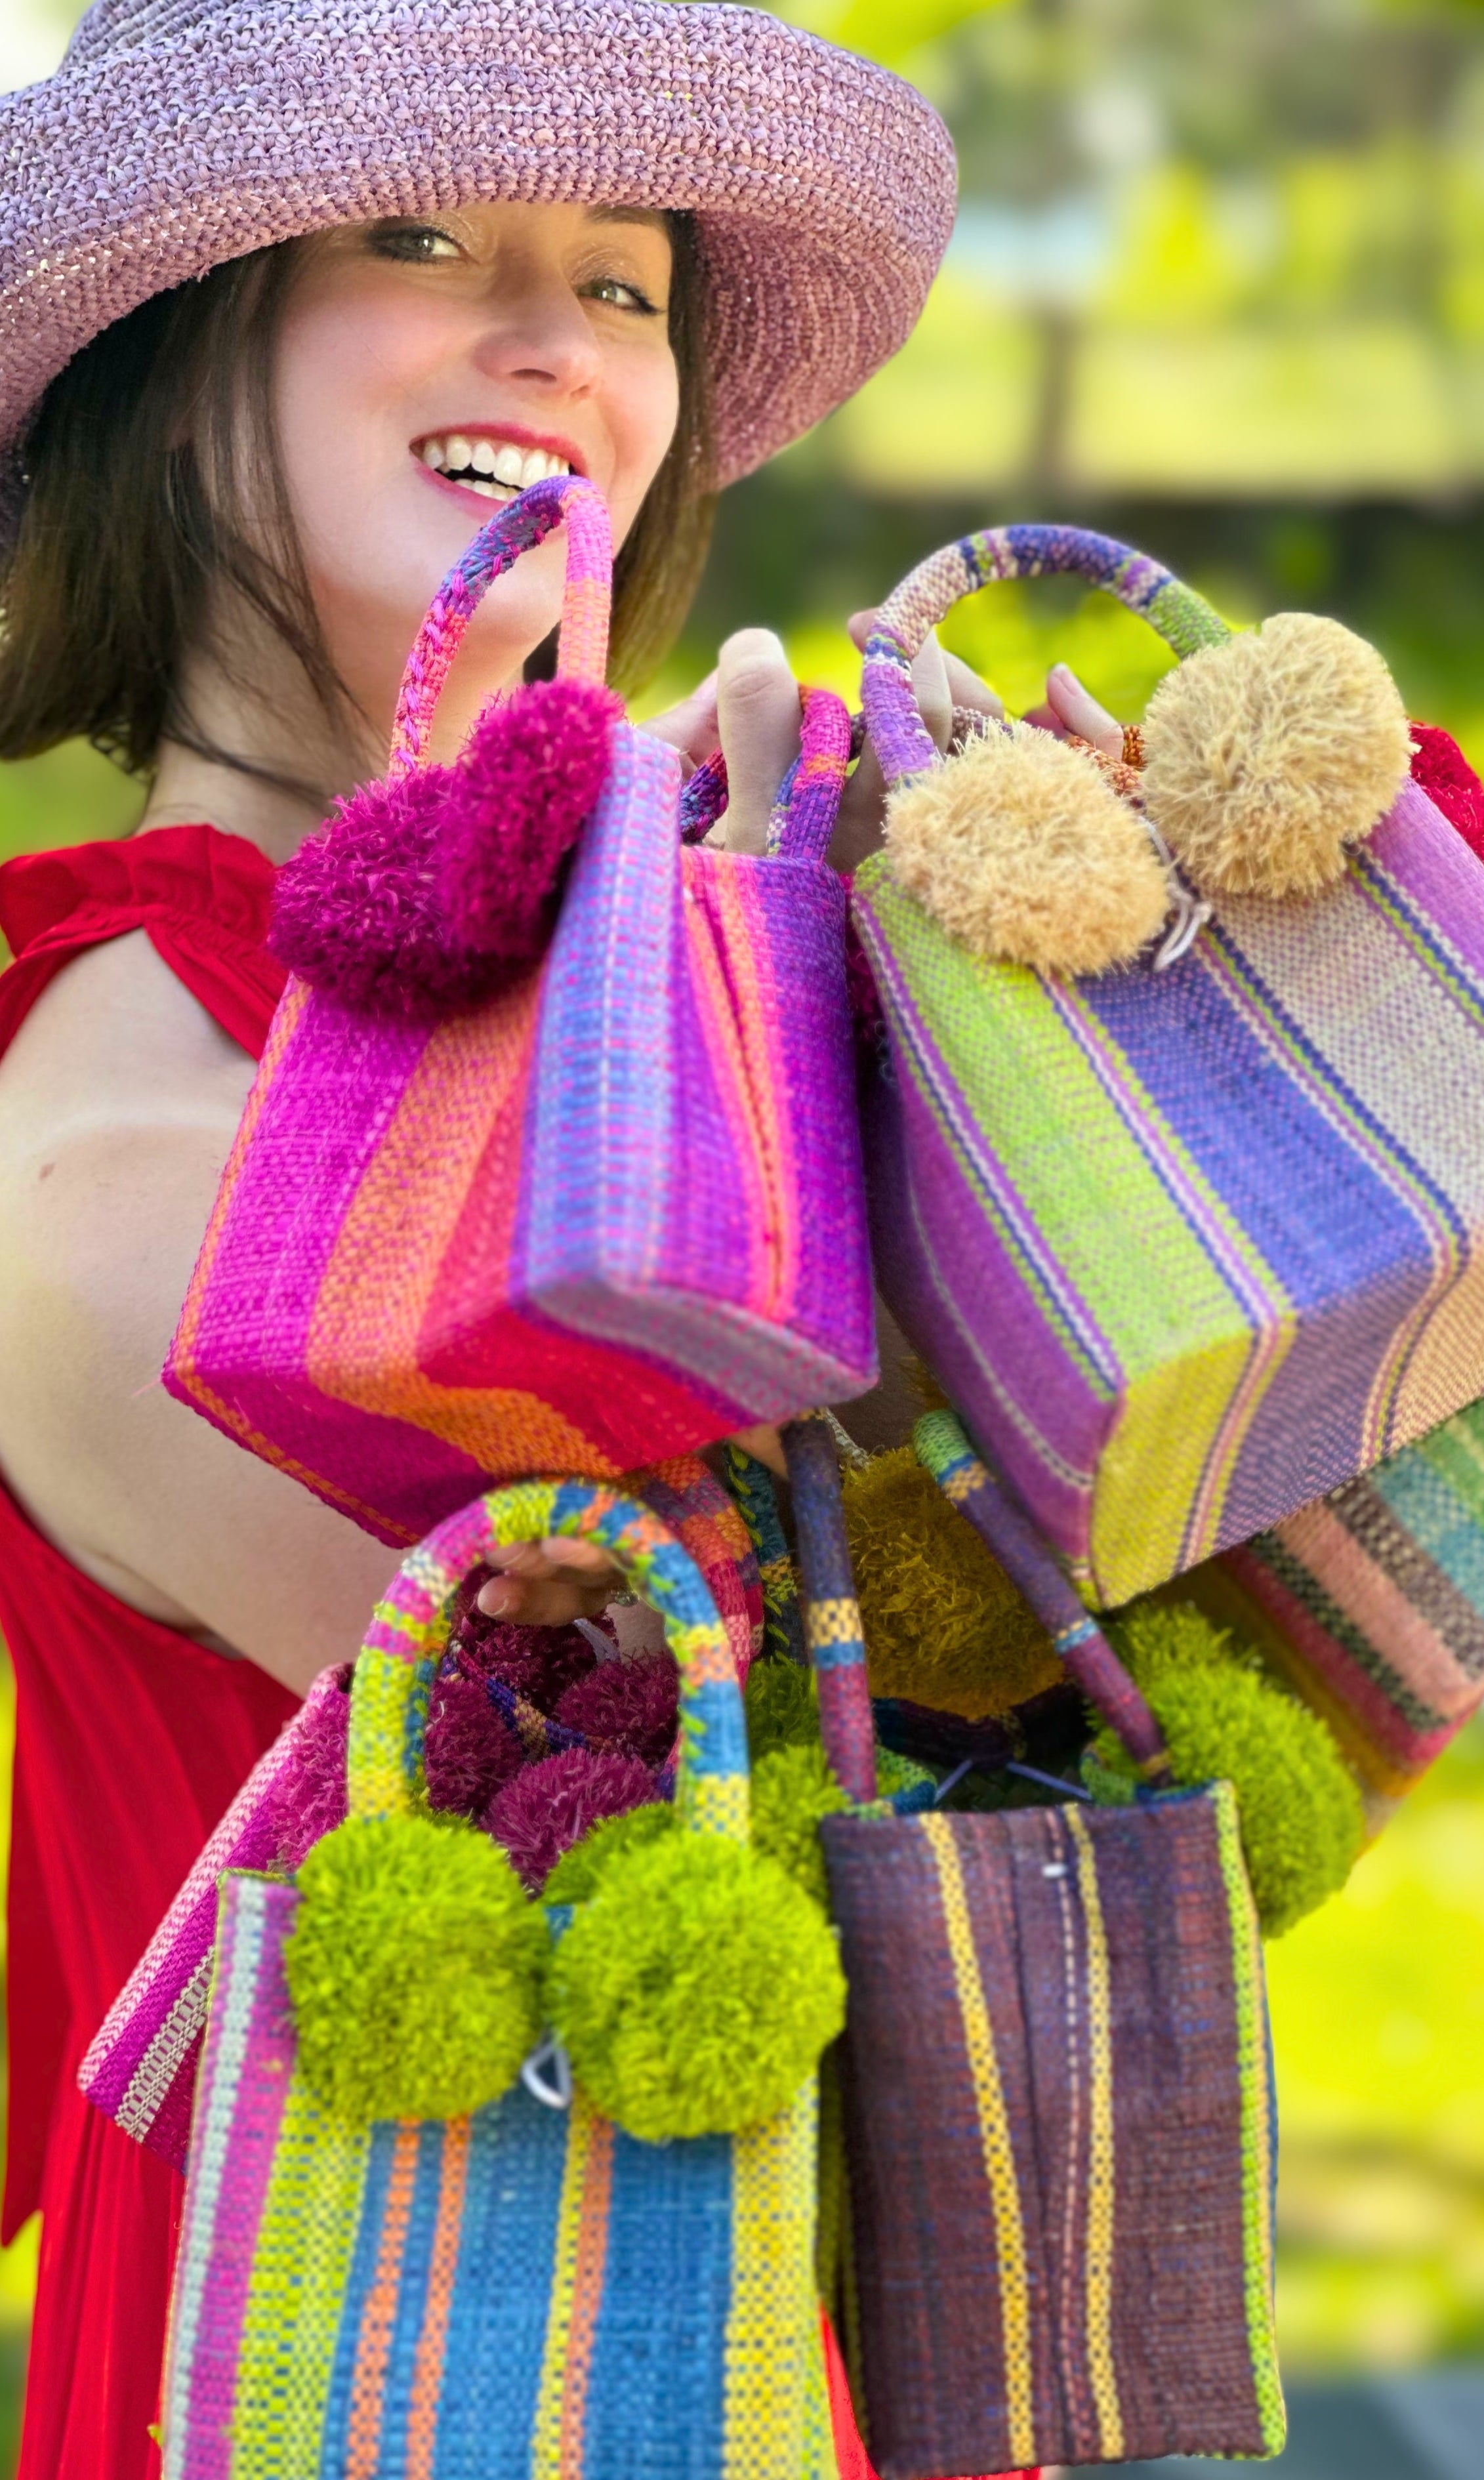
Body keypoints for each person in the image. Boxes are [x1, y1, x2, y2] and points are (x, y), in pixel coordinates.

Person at [0, 1, 1124, 2470]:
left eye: (624, 283)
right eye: (413, 238)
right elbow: (779, 1732)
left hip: (701, 2314)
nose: (554, 339)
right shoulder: (128, 1121)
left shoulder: (641, 989)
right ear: (161, 358)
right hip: (376, 2367)